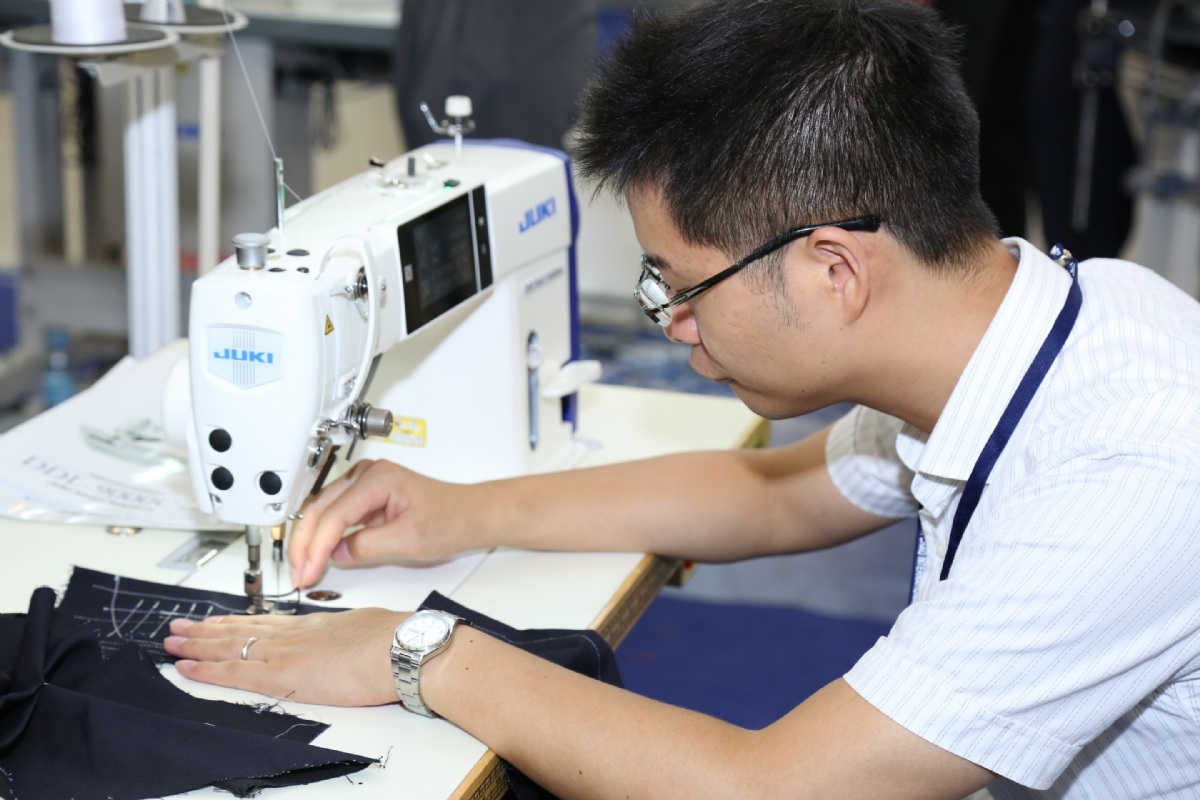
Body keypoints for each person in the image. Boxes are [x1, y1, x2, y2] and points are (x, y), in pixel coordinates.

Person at [164, 1, 1200, 797]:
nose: (671, 322)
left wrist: (418, 651)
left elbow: (770, 788)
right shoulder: (1041, 313)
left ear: (834, 270)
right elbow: (774, 496)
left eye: (681, 283)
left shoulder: (1130, 468)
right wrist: (461, 510)